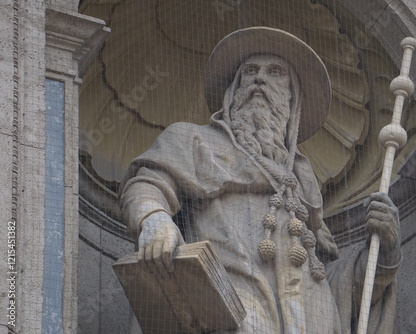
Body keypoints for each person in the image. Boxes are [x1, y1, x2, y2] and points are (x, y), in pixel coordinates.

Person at [120, 27, 400, 333]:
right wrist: (154, 219)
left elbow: (328, 285)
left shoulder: (303, 184)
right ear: (233, 92)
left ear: (293, 101)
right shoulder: (193, 140)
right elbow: (147, 183)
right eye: (250, 71)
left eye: (275, 72)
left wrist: (382, 255)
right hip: (226, 302)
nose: (259, 79)